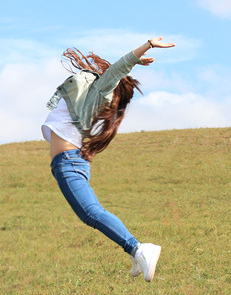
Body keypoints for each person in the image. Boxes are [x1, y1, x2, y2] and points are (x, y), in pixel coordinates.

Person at [42, 37, 175, 281]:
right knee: (89, 213)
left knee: (90, 213)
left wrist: (145, 46)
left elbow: (118, 68)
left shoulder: (100, 91)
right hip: (67, 162)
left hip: (69, 162)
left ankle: (139, 249)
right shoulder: (85, 97)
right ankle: (135, 254)